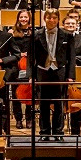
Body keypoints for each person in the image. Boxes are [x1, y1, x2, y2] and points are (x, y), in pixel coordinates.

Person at [31, 8, 75, 140]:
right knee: (43, 103)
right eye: (49, 18)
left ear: (58, 19)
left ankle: (58, 132)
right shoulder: (36, 34)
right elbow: (30, 57)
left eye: (54, 18)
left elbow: (71, 57)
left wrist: (71, 75)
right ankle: (44, 132)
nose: (52, 20)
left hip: (59, 70)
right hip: (42, 71)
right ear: (44, 19)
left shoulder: (67, 35)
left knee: (59, 103)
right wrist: (30, 76)